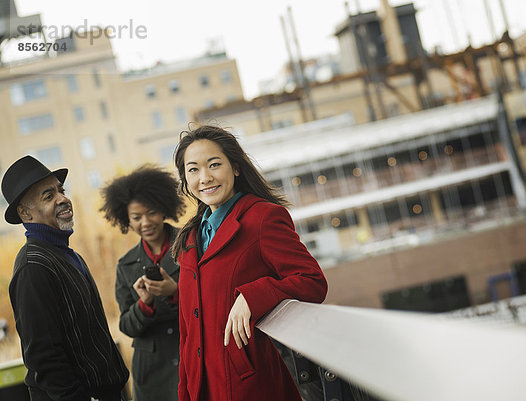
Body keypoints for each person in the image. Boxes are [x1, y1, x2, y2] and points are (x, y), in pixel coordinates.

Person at [171, 125, 328, 401]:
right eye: (193, 169)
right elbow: (187, 333)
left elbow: (312, 281)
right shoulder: (190, 239)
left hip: (249, 387)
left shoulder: (263, 218)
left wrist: (252, 295)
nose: (205, 177)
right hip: (201, 389)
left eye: (214, 164)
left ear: (235, 168)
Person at [1, 155, 129, 401]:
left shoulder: (67, 255)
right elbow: (45, 359)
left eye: (61, 190)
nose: (62, 198)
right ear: (25, 213)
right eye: (48, 196)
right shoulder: (33, 267)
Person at [99, 165, 185, 401]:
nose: (145, 222)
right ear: (126, 219)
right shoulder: (125, 265)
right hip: (152, 374)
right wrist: (144, 305)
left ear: (164, 209)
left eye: (151, 213)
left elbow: (214, 298)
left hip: (193, 355)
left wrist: (176, 292)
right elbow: (126, 326)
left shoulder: (192, 242)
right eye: (136, 217)